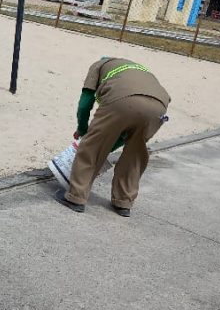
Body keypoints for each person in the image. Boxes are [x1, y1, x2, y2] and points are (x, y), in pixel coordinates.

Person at [55, 57, 170, 217]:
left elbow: (85, 103)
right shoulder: (135, 68)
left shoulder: (98, 65)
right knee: (135, 154)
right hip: (159, 107)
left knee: (92, 147)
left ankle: (76, 197)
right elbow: (123, 133)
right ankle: (123, 203)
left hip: (121, 100)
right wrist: (109, 146)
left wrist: (82, 130)